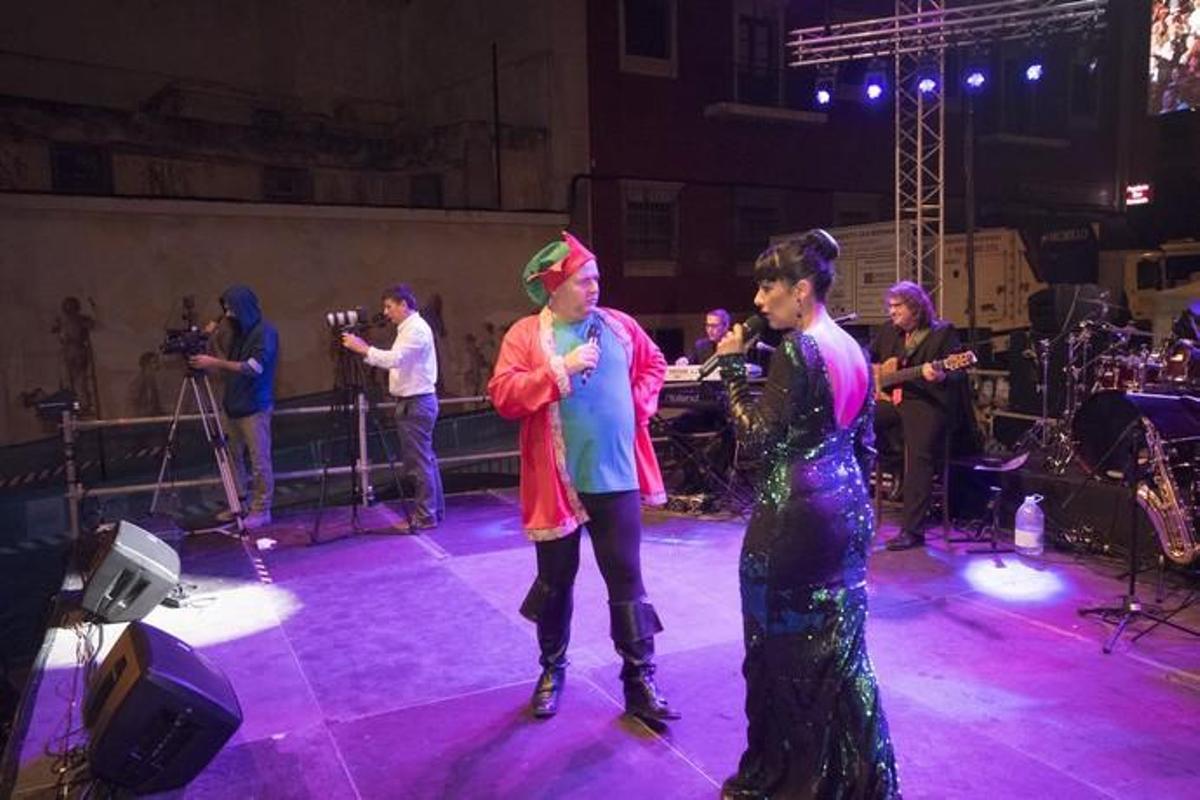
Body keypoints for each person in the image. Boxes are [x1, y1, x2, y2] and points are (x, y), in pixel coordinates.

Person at [714, 230, 900, 799]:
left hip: (794, 519)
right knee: (841, 655)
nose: (759, 299)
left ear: (800, 290)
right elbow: (866, 446)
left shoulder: (799, 350)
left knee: (781, 651)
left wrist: (730, 370)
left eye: (767, 287)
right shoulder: (852, 347)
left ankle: (791, 781)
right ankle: (855, 782)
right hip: (847, 512)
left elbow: (760, 440)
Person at [488, 231, 679, 723]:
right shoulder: (526, 335)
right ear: (555, 287)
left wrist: (637, 405)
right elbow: (503, 395)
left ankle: (640, 680)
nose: (595, 287)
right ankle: (551, 671)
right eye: (583, 280)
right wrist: (560, 369)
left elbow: (654, 364)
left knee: (628, 582)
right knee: (555, 583)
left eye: (596, 278)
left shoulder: (619, 325)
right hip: (559, 482)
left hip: (615, 479)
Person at [342, 284, 445, 530]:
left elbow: (395, 359)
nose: (386, 313)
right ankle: (433, 512)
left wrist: (363, 348)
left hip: (416, 403)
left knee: (418, 463)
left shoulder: (415, 330)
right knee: (425, 460)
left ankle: (426, 516)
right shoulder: (409, 329)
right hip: (415, 402)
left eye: (389, 307)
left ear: (403, 305)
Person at [870, 281, 964, 551]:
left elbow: (959, 372)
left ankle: (912, 531)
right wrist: (878, 378)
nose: (892, 312)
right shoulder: (888, 331)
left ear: (916, 307)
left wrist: (942, 374)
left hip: (924, 401)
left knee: (918, 455)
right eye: (890, 306)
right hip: (891, 400)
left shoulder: (941, 333)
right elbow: (871, 360)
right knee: (856, 422)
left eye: (897, 306)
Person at [189, 286, 278, 530]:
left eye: (231, 309)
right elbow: (228, 363)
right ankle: (238, 503)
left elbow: (254, 367)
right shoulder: (238, 333)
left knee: (259, 461)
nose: (228, 314)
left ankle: (262, 509)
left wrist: (214, 362)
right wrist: (210, 342)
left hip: (254, 406)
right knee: (231, 459)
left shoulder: (264, 332)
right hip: (233, 405)